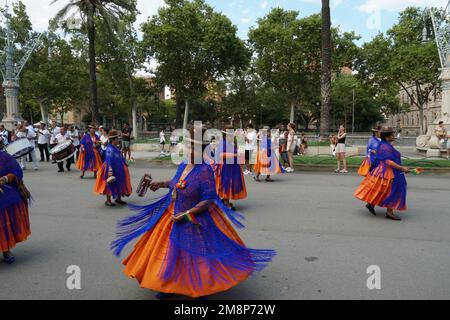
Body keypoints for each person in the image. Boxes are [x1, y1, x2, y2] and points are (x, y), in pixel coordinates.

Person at [111, 127, 275, 299]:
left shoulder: (205, 171)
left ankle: (200, 287)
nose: (189, 150)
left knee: (196, 257)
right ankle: (168, 285)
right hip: (173, 214)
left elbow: (209, 199)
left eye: (194, 148)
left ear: (202, 150)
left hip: (194, 220)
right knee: (171, 253)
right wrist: (160, 184)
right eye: (188, 146)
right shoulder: (184, 164)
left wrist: (187, 213)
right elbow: (177, 182)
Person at [354, 127, 410, 221]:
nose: (394, 136)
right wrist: (402, 168)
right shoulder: (384, 146)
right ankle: (388, 212)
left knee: (384, 189)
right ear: (387, 137)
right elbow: (388, 161)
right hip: (388, 171)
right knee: (391, 190)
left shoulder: (386, 144)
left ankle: (373, 205)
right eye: (392, 135)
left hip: (388, 171)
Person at [0, 138, 31, 264]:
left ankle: (6, 249)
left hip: (4, 195)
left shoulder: (5, 157)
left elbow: (17, 171)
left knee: (3, 223)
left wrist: (5, 178)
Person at [94, 129, 132, 207]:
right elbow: (109, 160)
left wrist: (125, 163)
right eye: (117, 138)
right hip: (110, 168)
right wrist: (110, 171)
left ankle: (118, 198)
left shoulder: (115, 147)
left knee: (120, 182)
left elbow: (120, 157)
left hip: (118, 167)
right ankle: (108, 200)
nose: (118, 140)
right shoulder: (110, 149)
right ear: (113, 140)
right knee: (109, 183)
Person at [213, 125, 247, 210]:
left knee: (231, 183)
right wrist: (235, 154)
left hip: (233, 166)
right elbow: (221, 155)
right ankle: (225, 201)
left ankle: (225, 200)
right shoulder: (222, 143)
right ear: (226, 135)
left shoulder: (231, 143)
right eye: (230, 134)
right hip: (226, 166)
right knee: (226, 183)